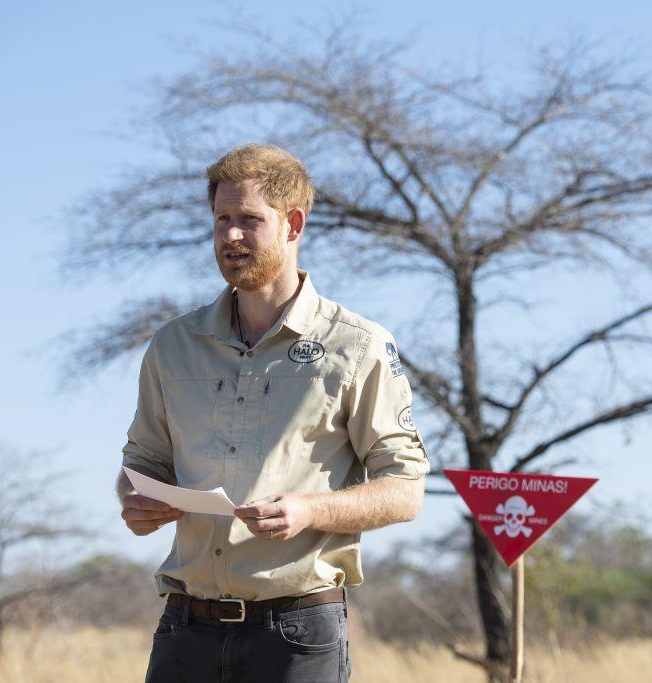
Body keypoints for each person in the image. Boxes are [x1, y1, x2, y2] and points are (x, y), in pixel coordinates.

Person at [115, 143, 429, 682]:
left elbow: (405, 490)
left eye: (248, 220)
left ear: (293, 224)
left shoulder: (358, 346)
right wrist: (135, 500)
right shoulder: (171, 345)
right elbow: (140, 461)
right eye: (222, 220)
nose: (230, 235)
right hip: (183, 630)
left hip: (297, 634)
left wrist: (310, 512)